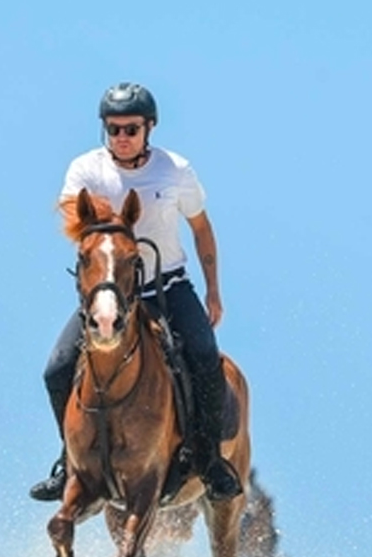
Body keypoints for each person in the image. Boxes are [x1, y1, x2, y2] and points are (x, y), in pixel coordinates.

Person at [29, 81, 242, 503]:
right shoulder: (85, 171)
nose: (121, 138)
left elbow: (202, 230)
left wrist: (213, 292)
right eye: (113, 129)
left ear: (149, 128)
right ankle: (69, 462)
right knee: (56, 368)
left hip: (168, 286)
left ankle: (209, 459)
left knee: (202, 355)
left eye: (131, 129)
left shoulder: (176, 170)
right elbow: (74, 219)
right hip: (109, 294)